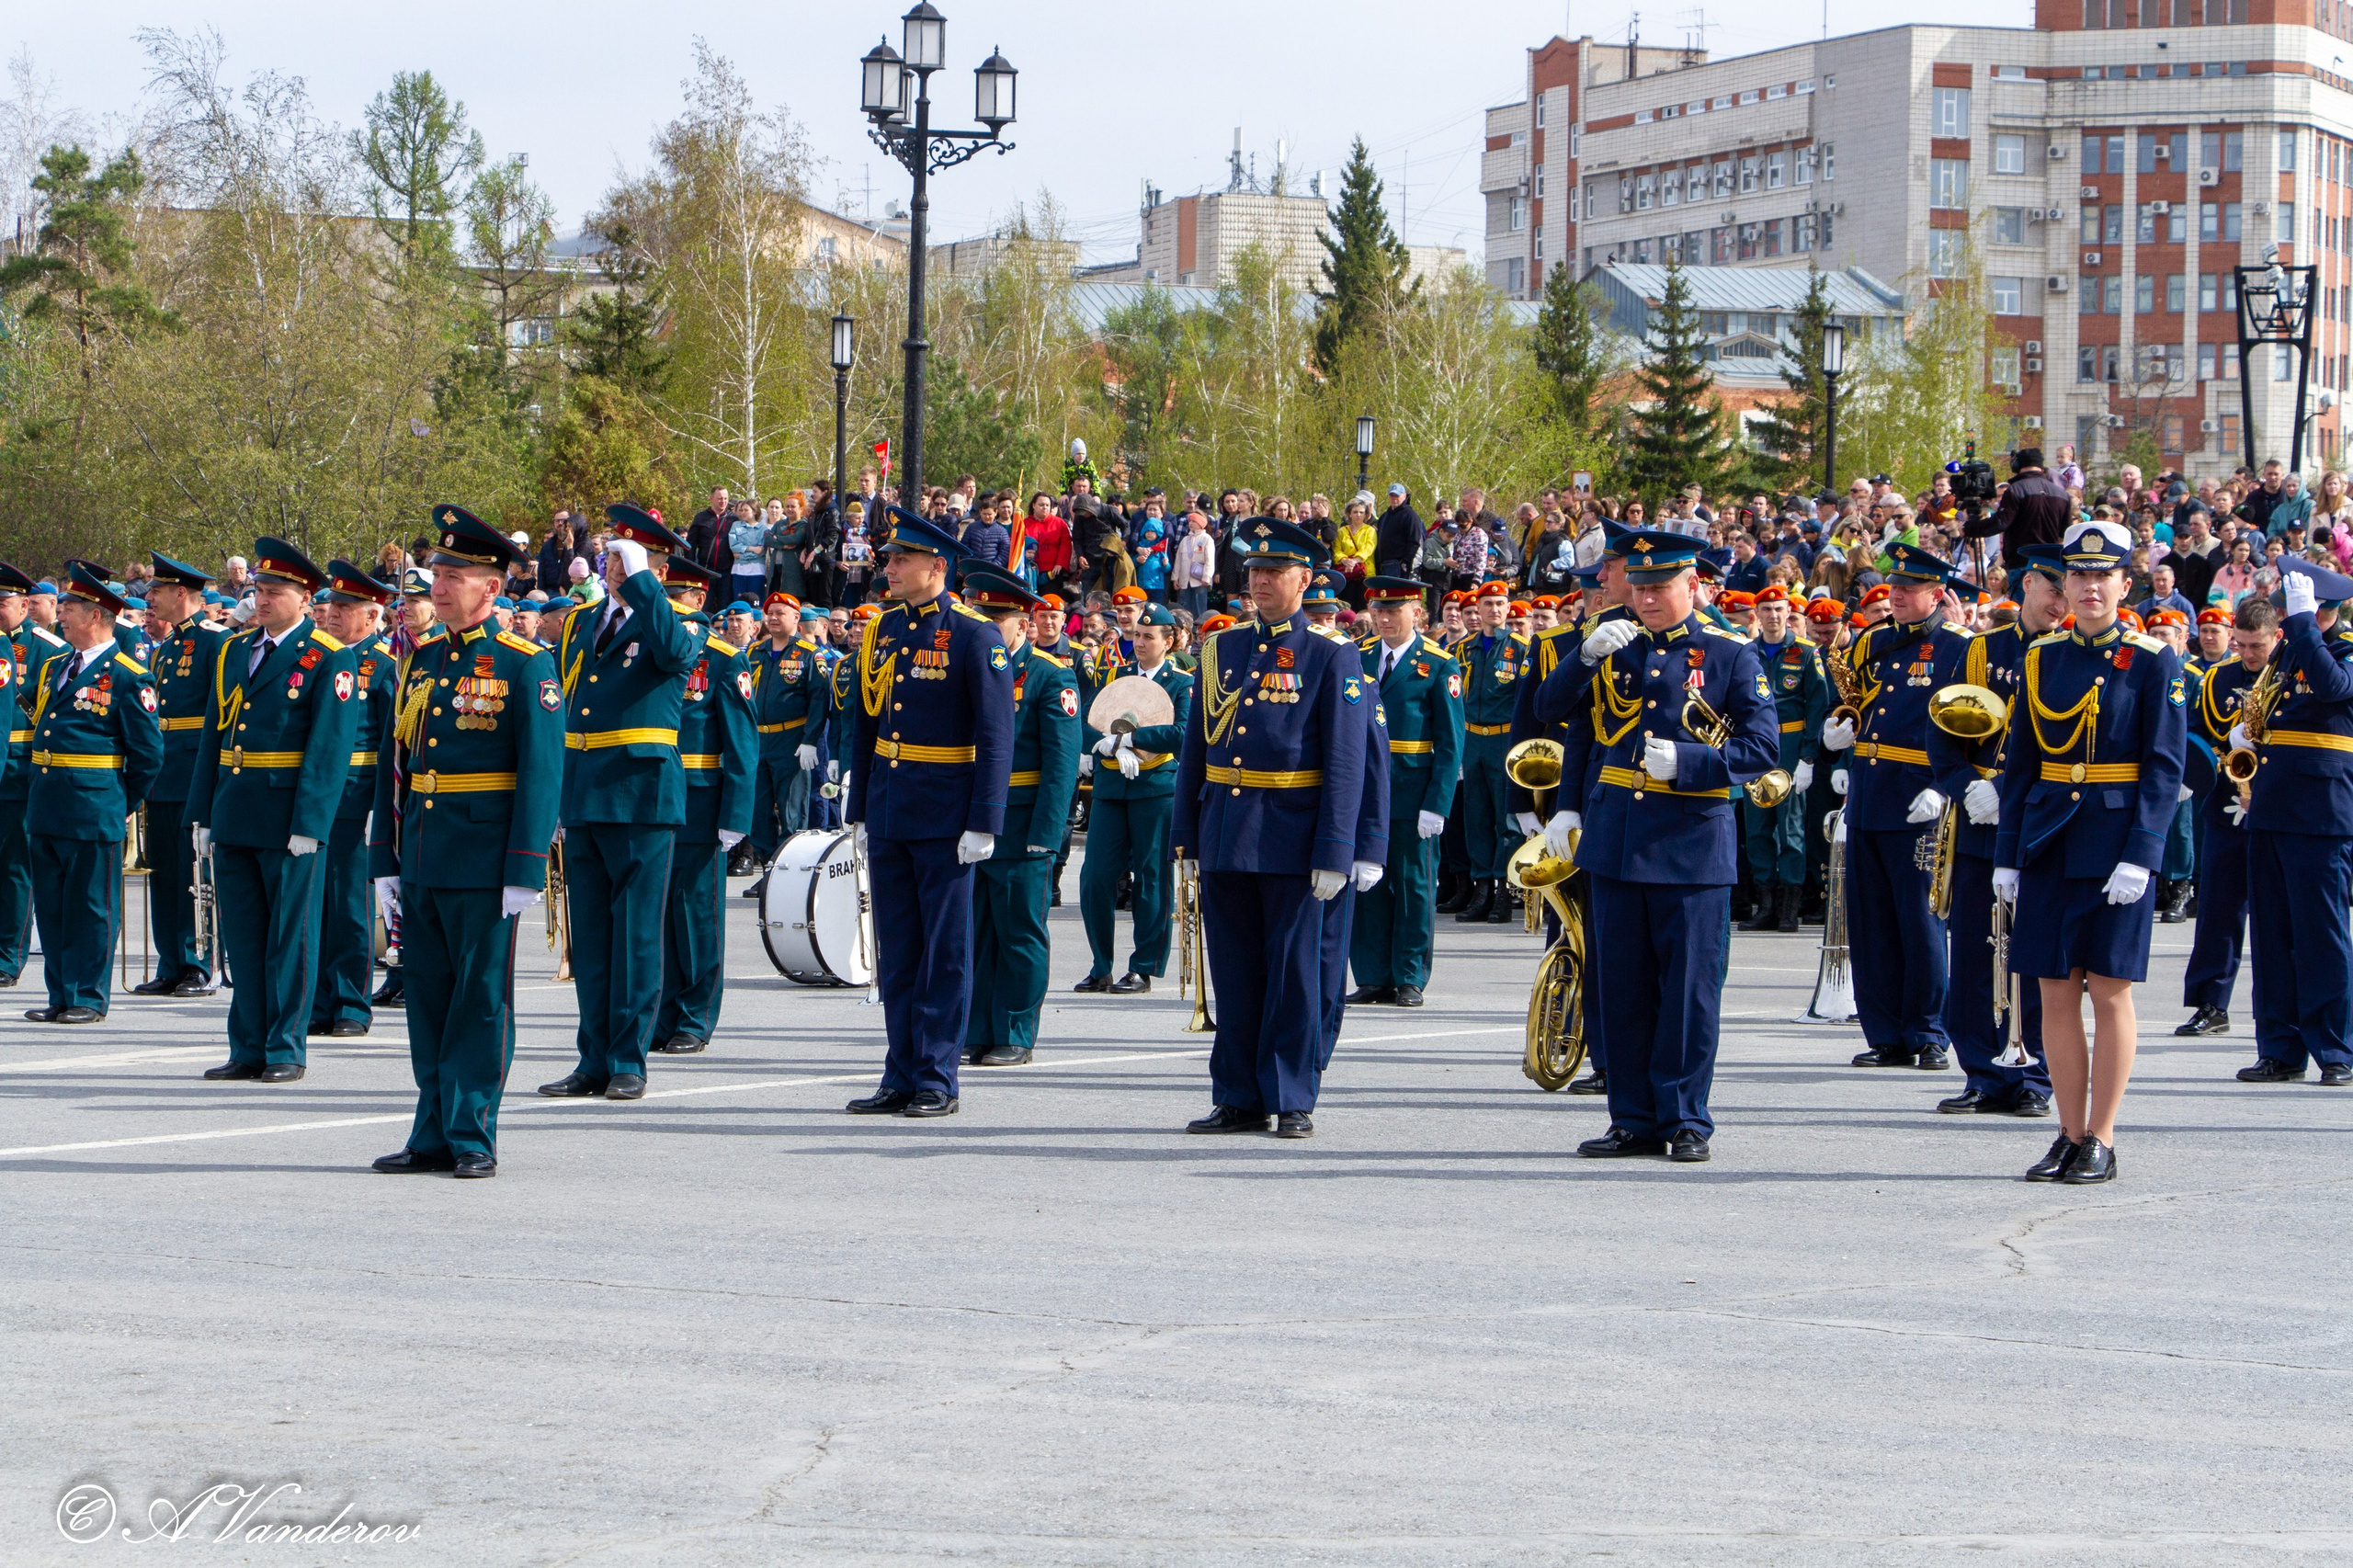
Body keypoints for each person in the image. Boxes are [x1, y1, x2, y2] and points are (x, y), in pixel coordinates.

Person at [1535, 529, 1779, 1162]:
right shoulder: (1611, 641)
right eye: (1638, 587)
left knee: (1689, 991)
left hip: (1690, 843)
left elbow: (1760, 750)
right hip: (1616, 838)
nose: (1646, 599)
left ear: (1693, 586)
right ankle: (1634, 1117)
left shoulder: (1729, 653)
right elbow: (1555, 713)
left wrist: (1693, 764)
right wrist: (1582, 659)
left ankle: (1685, 1116)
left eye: (1660, 588)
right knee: (1622, 986)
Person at [367, 509, 563, 1177]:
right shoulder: (419, 663)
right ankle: (431, 1132)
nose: (440, 586)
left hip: (484, 858)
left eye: (456, 576)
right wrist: (383, 857)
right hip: (422, 850)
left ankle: (472, 1131)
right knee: (427, 996)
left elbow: (541, 772)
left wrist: (525, 865)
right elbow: (393, 765)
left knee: (479, 1000)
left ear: (494, 589)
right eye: (438, 575)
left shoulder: (524, 664)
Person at [1995, 519, 2188, 1183]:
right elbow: (2021, 765)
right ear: (2064, 585)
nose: (2090, 587)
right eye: (2078, 575)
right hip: (2050, 838)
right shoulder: (2042, 657)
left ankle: (2102, 1137)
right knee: (2053, 991)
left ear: (2124, 584)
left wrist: (2144, 853)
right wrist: (2008, 854)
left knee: (2108, 992)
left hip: (2114, 845)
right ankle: (2068, 1133)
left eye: (2103, 575)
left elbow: (2164, 767)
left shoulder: (2155, 660)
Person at [1172, 517, 1370, 1138]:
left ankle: (1290, 1095)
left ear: (1304, 579)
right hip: (1228, 829)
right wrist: (1188, 834)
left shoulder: (1331, 654)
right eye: (1254, 570)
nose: (1259, 580)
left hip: (1292, 834)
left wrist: (1337, 849)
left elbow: (1344, 759)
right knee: (1235, 971)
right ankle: (1238, 1095)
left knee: (1292, 975)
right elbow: (1196, 751)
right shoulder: (1221, 648)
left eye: (1273, 571)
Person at [842, 508, 1016, 1118]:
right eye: (888, 559)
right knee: (900, 947)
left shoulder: (974, 635)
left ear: (936, 566)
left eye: (900, 560)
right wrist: (859, 805)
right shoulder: (882, 630)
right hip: (892, 806)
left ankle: (937, 1075)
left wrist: (985, 818)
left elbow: (996, 734)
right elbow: (866, 725)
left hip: (946, 811)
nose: (888, 568)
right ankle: (901, 1070)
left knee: (945, 951)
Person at [538, 505, 700, 1103]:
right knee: (594, 937)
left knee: (635, 935)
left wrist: (643, 587)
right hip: (584, 791)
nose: (610, 568)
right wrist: (556, 797)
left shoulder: (677, 618)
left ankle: (629, 1059)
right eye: (610, 558)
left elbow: (676, 656)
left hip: (640, 795)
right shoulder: (582, 622)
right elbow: (566, 704)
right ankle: (594, 1058)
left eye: (625, 560)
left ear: (655, 566)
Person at [185, 542, 357, 1072]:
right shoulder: (235, 650)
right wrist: (204, 814)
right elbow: (214, 737)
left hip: (287, 817)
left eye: (275, 592)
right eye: (258, 590)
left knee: (290, 937)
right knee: (244, 936)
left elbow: (329, 749)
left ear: (304, 598)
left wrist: (310, 822)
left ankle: (285, 1047)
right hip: (236, 808)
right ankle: (248, 1046)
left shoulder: (329, 655)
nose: (262, 600)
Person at [1816, 542, 1975, 1073]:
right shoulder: (1873, 641)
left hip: (1921, 796)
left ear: (1937, 594)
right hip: (1870, 790)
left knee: (1920, 920)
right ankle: (1884, 1032)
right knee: (1872, 921)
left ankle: (1928, 1031)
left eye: (1909, 589)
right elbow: (1853, 700)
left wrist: (1944, 786)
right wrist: (1839, 731)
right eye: (1894, 587)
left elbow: (1974, 726)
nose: (1897, 596)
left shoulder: (1961, 648)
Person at [1925, 545, 2064, 1118]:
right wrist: (1963, 785)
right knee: (1978, 951)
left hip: (2042, 821)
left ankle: (2034, 1072)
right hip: (1981, 818)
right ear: (2028, 584)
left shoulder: (2072, 654)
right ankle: (1982, 1070)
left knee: (2032, 954)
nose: (2061, 602)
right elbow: (1943, 729)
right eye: (2053, 588)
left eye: (2068, 591)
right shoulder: (1982, 651)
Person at [2229, 556, 2353, 1086]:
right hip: (2273, 806)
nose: (2285, 609)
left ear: (2320, 608)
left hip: (2322, 813)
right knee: (2274, 937)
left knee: (2322, 935)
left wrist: (2304, 625)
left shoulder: (2343, 650)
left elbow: (2331, 688)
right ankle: (2280, 1047)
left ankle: (2337, 1049)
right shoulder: (2284, 657)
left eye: (2298, 603)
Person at [19, 566, 162, 1022]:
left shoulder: (126, 675)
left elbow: (147, 756)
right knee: (54, 904)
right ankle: (60, 994)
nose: (61, 615)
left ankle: (87, 996)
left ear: (97, 615)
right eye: (61, 607)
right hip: (47, 801)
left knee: (92, 906)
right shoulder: (56, 666)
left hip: (94, 804)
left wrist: (120, 801)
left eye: (70, 609)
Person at [961, 562, 1080, 1065]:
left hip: (1022, 822)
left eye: (999, 619)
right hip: (969, 822)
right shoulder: (967, 667)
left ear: (1024, 625)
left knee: (1019, 932)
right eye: (980, 616)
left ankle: (1014, 1032)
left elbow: (1061, 765)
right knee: (976, 931)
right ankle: (977, 1029)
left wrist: (1046, 837)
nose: (987, 626)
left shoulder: (1051, 677)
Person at [652, 557, 756, 1055]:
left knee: (696, 916)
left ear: (697, 600)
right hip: (652, 798)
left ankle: (695, 1017)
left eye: (679, 597)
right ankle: (662, 1013)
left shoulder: (721, 658)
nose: (671, 606)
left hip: (699, 800)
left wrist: (735, 816)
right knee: (657, 915)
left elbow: (741, 744)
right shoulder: (649, 648)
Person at [1346, 577, 1462, 1006]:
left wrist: (1438, 803)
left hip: (1412, 792)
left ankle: (1410, 975)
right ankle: (1373, 975)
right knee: (1366, 883)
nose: (1384, 618)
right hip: (1363, 789)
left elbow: (1451, 743)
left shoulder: (1438, 663)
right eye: (1378, 610)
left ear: (1417, 613)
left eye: (1394, 610)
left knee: (1413, 886)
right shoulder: (1357, 657)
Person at [1074, 603, 1193, 994]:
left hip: (1155, 788)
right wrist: (1106, 746)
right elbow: (1085, 720)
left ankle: (1142, 966)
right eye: (1137, 636)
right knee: (1095, 877)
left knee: (1151, 879)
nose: (1139, 642)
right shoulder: (1115, 675)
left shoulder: (1181, 681)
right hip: (1111, 787)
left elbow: (1183, 731)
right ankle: (1100, 965)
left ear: (1169, 640)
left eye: (1149, 637)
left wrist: (1132, 740)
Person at [2177, 597, 2280, 1038]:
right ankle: (2210, 1004)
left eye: (2257, 646)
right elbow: (2197, 731)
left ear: (2277, 637)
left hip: (2275, 810)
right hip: (2225, 804)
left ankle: (2279, 1014)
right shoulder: (2219, 677)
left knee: (2278, 918)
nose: (2249, 655)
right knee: (2218, 910)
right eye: (2241, 645)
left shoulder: (2290, 675)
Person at [131, 554, 232, 997]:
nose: (149, 599)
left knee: (195, 874)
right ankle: (170, 961)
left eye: (157, 591)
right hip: (164, 770)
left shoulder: (217, 642)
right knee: (165, 871)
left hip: (193, 769)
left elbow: (222, 716)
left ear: (180, 594)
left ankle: (197, 962)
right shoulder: (166, 647)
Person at [306, 562, 397, 1038]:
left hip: (356, 801)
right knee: (314, 904)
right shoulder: (319, 657)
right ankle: (319, 1001)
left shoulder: (382, 667)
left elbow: (389, 747)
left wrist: (379, 811)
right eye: (330, 606)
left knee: (348, 907)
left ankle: (351, 1004)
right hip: (316, 799)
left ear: (373, 614)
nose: (332, 614)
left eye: (345, 607)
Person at [1737, 585, 1826, 932]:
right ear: (1755, 615)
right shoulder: (1746, 651)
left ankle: (1790, 906)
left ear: (1789, 613)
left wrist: (1808, 756)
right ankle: (1767, 904)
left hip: (1790, 744)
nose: (1774, 616)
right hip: (1755, 744)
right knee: (1758, 827)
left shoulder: (1805, 652)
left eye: (1780, 610)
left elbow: (1818, 705)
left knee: (1791, 828)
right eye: (1767, 610)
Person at [0, 565, 70, 989]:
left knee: (13, 868)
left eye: (3, 604)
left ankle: (8, 956)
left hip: (19, 770)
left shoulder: (48, 648)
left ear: (26, 606)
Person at [739, 592, 830, 887]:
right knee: (758, 808)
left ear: (796, 619)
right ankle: (767, 873)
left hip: (791, 739)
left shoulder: (809, 653)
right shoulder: (755, 652)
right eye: (771, 613)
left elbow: (820, 699)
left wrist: (810, 740)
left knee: (792, 808)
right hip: (758, 740)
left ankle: (787, 877)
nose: (774, 618)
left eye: (781, 613)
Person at [1452, 580, 1530, 924]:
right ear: (1478, 609)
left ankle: (1503, 890)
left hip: (1504, 739)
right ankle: (1480, 888)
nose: (1495, 610)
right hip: (1472, 739)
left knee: (1507, 819)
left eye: (1501, 604)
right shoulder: (1461, 650)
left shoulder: (1522, 648)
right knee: (1476, 817)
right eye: (1488, 604)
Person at [1984, 448, 2071, 569]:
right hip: (2049, 566)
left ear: (2017, 466)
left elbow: (2000, 523)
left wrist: (1970, 527)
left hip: (2020, 565)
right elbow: (2066, 534)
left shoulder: (2015, 490)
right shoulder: (2062, 494)